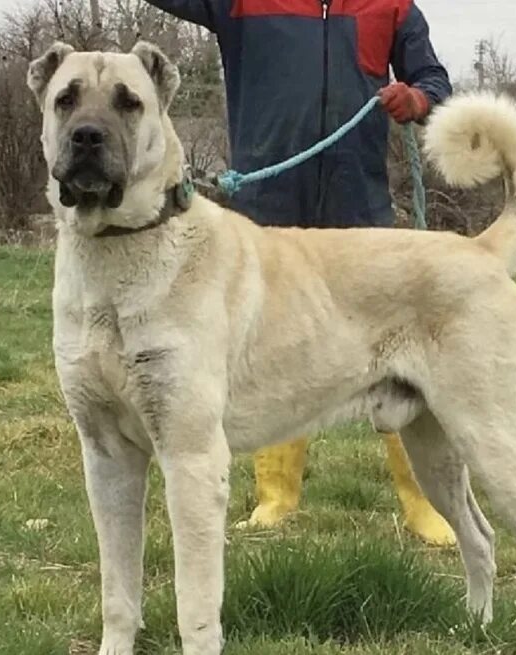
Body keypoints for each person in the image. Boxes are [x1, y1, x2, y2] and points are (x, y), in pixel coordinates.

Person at [146, 0, 455, 545]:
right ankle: (276, 497)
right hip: (269, 204)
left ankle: (424, 505)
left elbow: (433, 78)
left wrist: (418, 97)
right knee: (270, 353)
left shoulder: (392, 6)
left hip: (358, 205)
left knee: (399, 348)